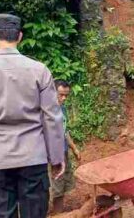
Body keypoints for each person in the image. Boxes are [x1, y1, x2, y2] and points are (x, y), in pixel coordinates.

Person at [0, 14, 66, 218]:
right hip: (33, 159)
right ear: (20, 37)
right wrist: (56, 157)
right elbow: (52, 117)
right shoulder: (39, 71)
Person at [49, 80, 81, 214]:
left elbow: (64, 131)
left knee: (61, 186)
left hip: (63, 152)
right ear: (52, 92)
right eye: (61, 95)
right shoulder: (47, 110)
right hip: (52, 154)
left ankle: (59, 214)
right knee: (55, 186)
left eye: (66, 95)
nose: (64, 98)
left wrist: (74, 148)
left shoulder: (62, 109)